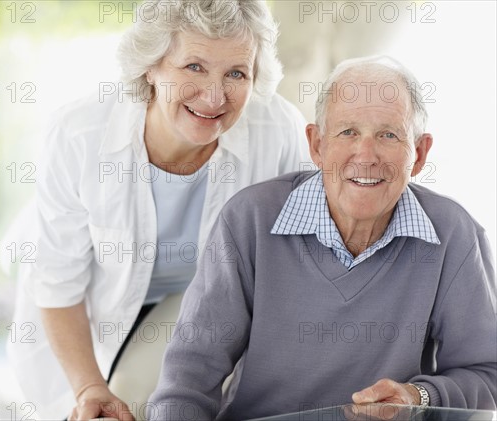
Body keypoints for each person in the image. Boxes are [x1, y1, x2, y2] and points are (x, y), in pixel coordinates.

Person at [147, 56, 497, 420]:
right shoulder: (249, 220)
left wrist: (419, 395)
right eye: (347, 132)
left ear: (420, 153)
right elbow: (188, 379)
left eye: (388, 135)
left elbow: (488, 374)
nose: (366, 155)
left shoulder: (454, 235)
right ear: (316, 145)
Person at [7, 1, 310, 420]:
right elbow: (58, 285)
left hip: (201, 311)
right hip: (82, 321)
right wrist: (89, 386)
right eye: (194, 67)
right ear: (150, 66)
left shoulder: (278, 130)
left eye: (236, 73)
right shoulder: (80, 134)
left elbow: (298, 258)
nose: (214, 96)